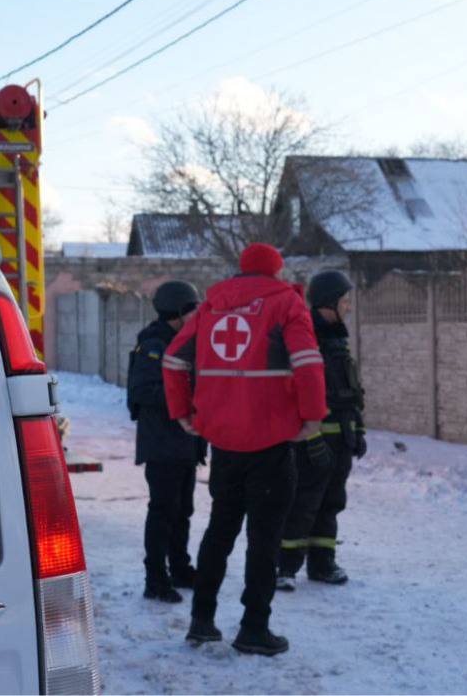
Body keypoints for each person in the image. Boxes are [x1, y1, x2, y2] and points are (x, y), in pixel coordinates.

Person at [162, 243, 327, 657]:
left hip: (224, 442)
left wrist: (182, 411)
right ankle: (254, 627)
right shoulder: (285, 302)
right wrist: (313, 416)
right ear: (276, 270)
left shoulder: (211, 304)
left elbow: (173, 360)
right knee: (264, 538)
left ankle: (201, 620)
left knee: (219, 530)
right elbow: (308, 363)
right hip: (271, 441)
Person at [278, 270, 366, 590]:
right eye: (344, 301)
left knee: (331, 502)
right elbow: (295, 394)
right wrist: (312, 438)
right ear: (328, 303)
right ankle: (285, 567)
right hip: (312, 440)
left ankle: (322, 564)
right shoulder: (305, 337)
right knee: (302, 503)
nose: (348, 307)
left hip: (341, 437)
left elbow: (352, 391)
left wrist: (358, 430)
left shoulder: (338, 339)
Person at [127, 279, 206, 604]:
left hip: (185, 443)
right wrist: (187, 397)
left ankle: (180, 568)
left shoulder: (184, 342)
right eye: (192, 309)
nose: (197, 315)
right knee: (163, 512)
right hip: (162, 444)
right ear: (177, 310)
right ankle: (156, 579)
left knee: (183, 510)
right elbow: (143, 391)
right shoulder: (154, 345)